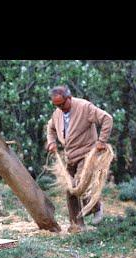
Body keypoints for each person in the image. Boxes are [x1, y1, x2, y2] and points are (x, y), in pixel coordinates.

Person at [46, 85, 113, 233]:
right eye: (56, 105)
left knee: (78, 184)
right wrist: (51, 142)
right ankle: (77, 225)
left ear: (69, 98)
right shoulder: (57, 113)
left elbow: (107, 119)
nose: (60, 108)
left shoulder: (84, 107)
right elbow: (50, 128)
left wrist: (101, 141)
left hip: (87, 155)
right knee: (69, 189)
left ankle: (96, 206)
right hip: (70, 156)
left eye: (62, 104)